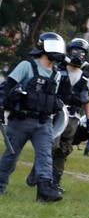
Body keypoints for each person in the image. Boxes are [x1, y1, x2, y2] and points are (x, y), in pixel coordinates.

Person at [0, 32, 66, 201]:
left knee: (45, 155)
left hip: (43, 123)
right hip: (20, 121)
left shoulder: (56, 74)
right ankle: (0, 186)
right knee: (10, 156)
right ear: (44, 47)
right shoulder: (26, 66)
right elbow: (7, 87)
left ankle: (44, 190)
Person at [25, 37, 89, 192]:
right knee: (49, 146)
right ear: (68, 52)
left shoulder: (87, 77)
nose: (78, 55)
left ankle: (55, 181)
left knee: (63, 150)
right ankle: (39, 174)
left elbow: (87, 100)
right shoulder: (57, 71)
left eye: (82, 52)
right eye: (75, 51)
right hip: (55, 115)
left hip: (73, 119)